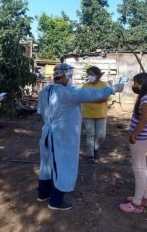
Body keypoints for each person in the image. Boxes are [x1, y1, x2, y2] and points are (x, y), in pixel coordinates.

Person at [37, 63, 127, 210]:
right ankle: (56, 201)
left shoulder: (45, 91)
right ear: (63, 76)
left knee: (47, 165)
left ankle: (43, 193)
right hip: (62, 136)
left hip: (47, 133)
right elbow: (91, 94)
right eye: (70, 76)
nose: (71, 79)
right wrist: (113, 89)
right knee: (63, 166)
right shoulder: (67, 93)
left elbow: (40, 111)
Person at [119, 72, 147, 213]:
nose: (134, 86)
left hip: (140, 140)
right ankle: (143, 198)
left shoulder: (146, 99)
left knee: (139, 171)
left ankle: (136, 204)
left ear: (142, 84)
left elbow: (143, 121)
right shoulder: (146, 97)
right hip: (143, 139)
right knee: (143, 170)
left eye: (136, 83)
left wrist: (133, 135)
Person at [81, 66, 109, 163]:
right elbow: (84, 97)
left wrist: (92, 98)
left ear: (97, 75)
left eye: (91, 75)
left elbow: (105, 98)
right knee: (90, 134)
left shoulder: (104, 85)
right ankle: (90, 155)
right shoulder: (85, 86)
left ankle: (95, 148)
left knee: (101, 135)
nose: (89, 76)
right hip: (87, 112)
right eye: (88, 74)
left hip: (101, 113)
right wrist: (97, 98)